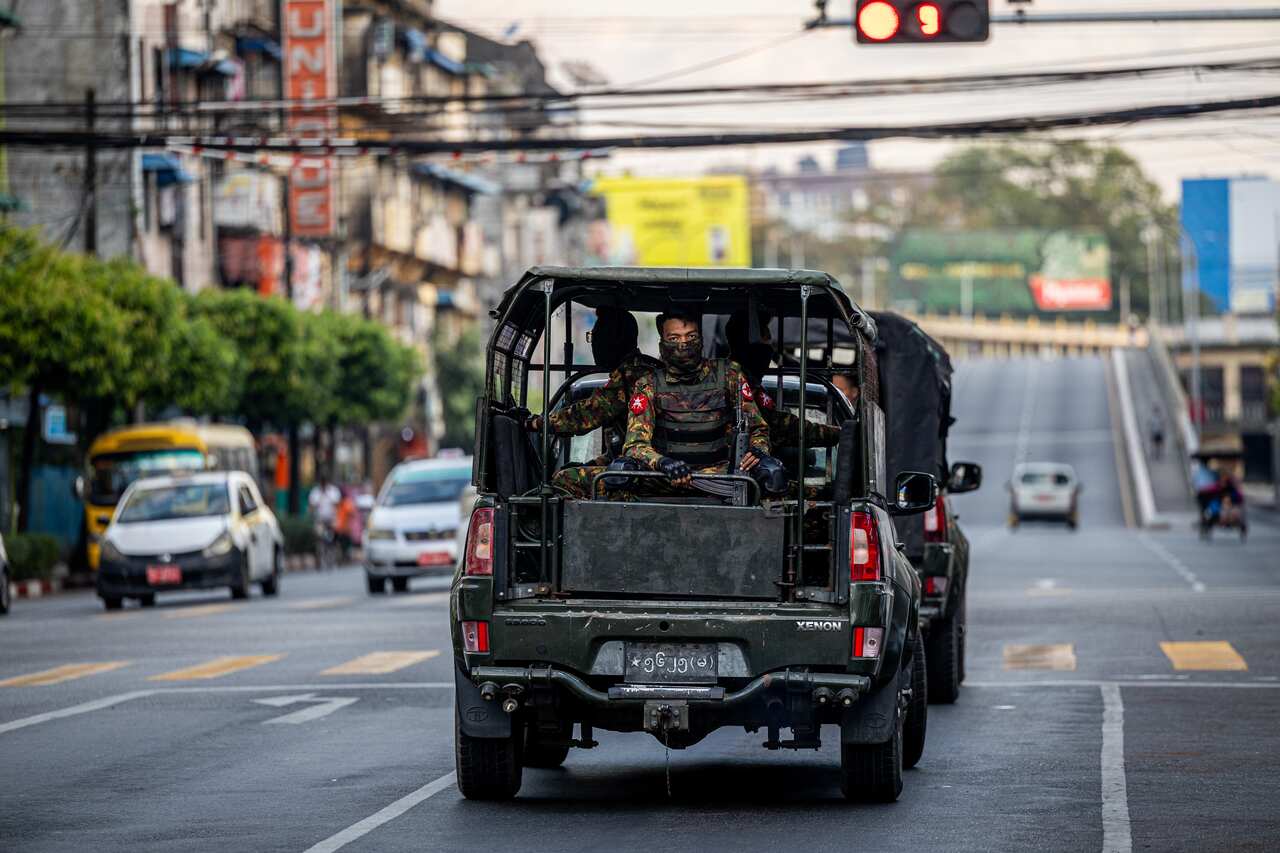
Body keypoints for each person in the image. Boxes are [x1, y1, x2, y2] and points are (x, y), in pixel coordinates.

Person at [612, 309, 779, 498]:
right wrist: (663, 463)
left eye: (690, 336)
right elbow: (634, 446)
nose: (683, 344)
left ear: (700, 340)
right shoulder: (648, 385)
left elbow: (758, 429)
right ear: (662, 344)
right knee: (607, 478)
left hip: (722, 477)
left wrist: (757, 451)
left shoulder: (729, 375)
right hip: (663, 477)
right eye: (674, 338)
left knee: (778, 482)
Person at [725, 309, 842, 450]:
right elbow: (782, 427)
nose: (768, 351)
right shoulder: (735, 383)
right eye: (766, 340)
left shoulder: (746, 384)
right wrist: (839, 434)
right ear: (747, 343)